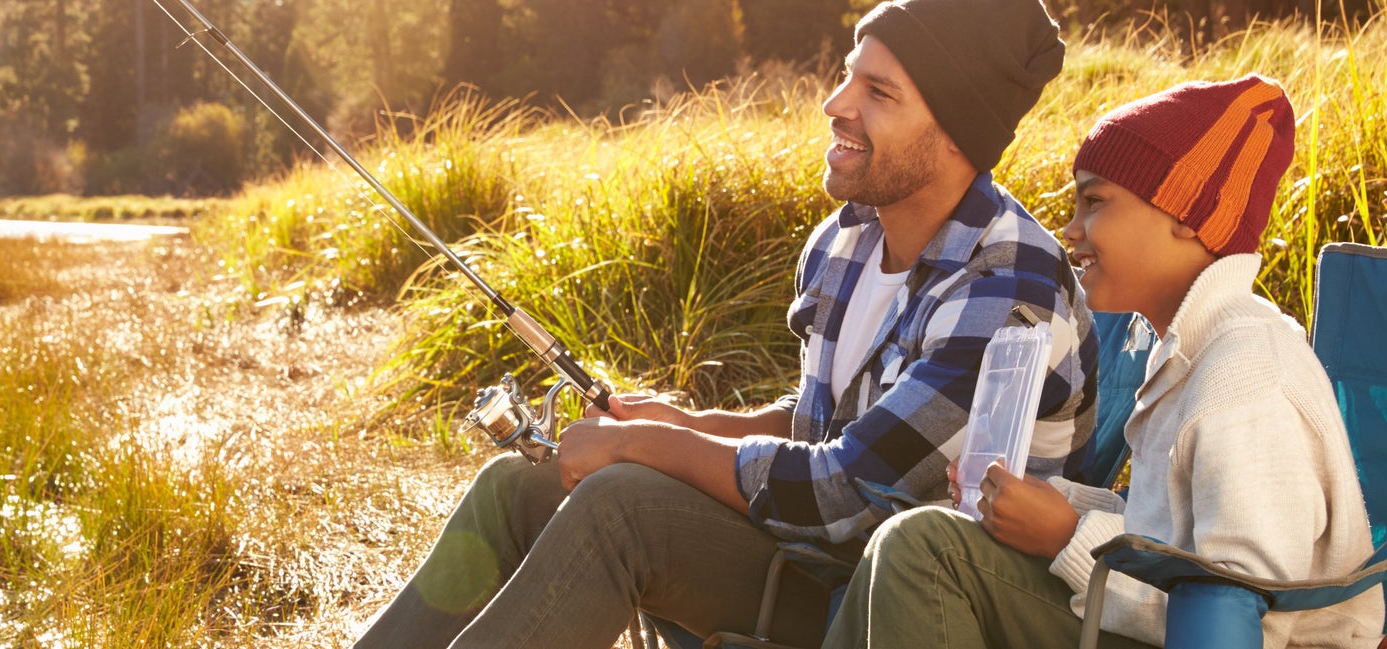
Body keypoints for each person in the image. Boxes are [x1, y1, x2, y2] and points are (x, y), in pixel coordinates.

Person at [352, 0, 1095, 647]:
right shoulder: (848, 240)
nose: (836, 103)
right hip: (806, 556)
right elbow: (817, 426)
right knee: (520, 485)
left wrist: (648, 442)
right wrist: (689, 419)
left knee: (620, 508)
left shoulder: (1009, 285)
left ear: (959, 133)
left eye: (878, 93)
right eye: (847, 74)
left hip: (881, 600)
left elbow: (841, 493)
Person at [823, 75, 1384, 648]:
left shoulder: (1245, 374)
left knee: (927, 552)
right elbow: (1174, 535)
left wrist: (1068, 535)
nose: (1069, 231)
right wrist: (1060, 502)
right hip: (1157, 620)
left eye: (1095, 203)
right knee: (904, 546)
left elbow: (1245, 608)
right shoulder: (1189, 347)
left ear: (1188, 214)